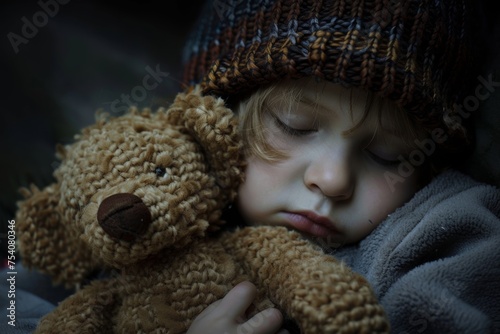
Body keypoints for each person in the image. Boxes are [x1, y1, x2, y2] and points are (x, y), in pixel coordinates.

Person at [181, 0, 500, 333]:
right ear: (215, 118)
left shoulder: (446, 238)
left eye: (386, 155)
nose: (332, 180)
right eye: (295, 126)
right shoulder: (155, 216)